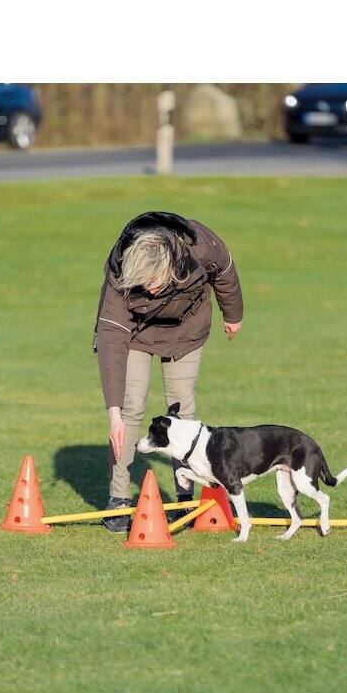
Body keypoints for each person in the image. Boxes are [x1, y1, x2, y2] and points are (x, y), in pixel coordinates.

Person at [93, 211, 244, 532]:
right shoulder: (120, 271)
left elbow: (226, 271)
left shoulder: (201, 246)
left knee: (181, 407)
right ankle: (118, 499)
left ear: (171, 266)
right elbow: (110, 335)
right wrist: (113, 411)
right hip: (136, 334)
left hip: (187, 329)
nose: (148, 289)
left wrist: (233, 315)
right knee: (130, 407)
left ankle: (184, 496)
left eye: (154, 281)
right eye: (142, 283)